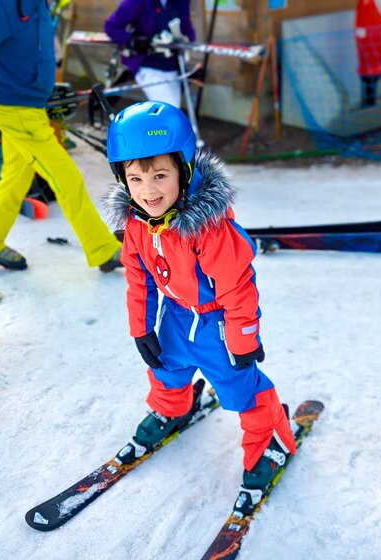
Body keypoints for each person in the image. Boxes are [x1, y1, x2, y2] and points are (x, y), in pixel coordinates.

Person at [103, 101, 296, 509]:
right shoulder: (138, 224)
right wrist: (141, 327)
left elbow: (238, 286)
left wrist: (243, 339)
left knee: (240, 387)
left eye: (159, 175)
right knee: (165, 367)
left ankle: (271, 441)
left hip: (217, 326)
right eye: (135, 179)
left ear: (184, 171)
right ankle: (172, 409)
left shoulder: (208, 229)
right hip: (175, 318)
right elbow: (138, 278)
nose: (148, 191)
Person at [0, 0, 122, 271]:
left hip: (28, 105)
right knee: (67, 179)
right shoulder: (2, 4)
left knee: (15, 179)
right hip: (16, 109)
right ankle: (103, 249)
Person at [104, 0, 196, 109]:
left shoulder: (181, 2)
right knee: (168, 110)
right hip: (146, 64)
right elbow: (111, 26)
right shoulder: (137, 2)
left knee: (172, 110)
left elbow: (188, 31)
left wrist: (181, 42)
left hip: (171, 66)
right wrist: (133, 41)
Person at [354, 0, 381, 108]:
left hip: (373, 40)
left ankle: (369, 104)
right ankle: (369, 104)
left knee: (370, 75)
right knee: (369, 75)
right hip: (369, 39)